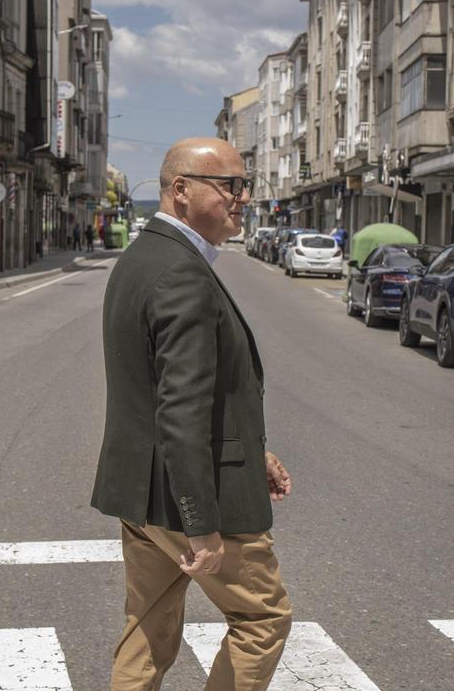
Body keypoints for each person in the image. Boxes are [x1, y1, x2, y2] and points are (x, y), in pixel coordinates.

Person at [91, 137, 293, 690]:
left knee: (147, 630)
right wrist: (201, 525)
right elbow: (179, 408)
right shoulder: (180, 272)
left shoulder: (145, 256)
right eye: (229, 185)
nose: (243, 197)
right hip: (192, 497)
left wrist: (256, 454)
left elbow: (178, 391)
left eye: (244, 184)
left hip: (141, 491)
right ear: (181, 190)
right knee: (261, 619)